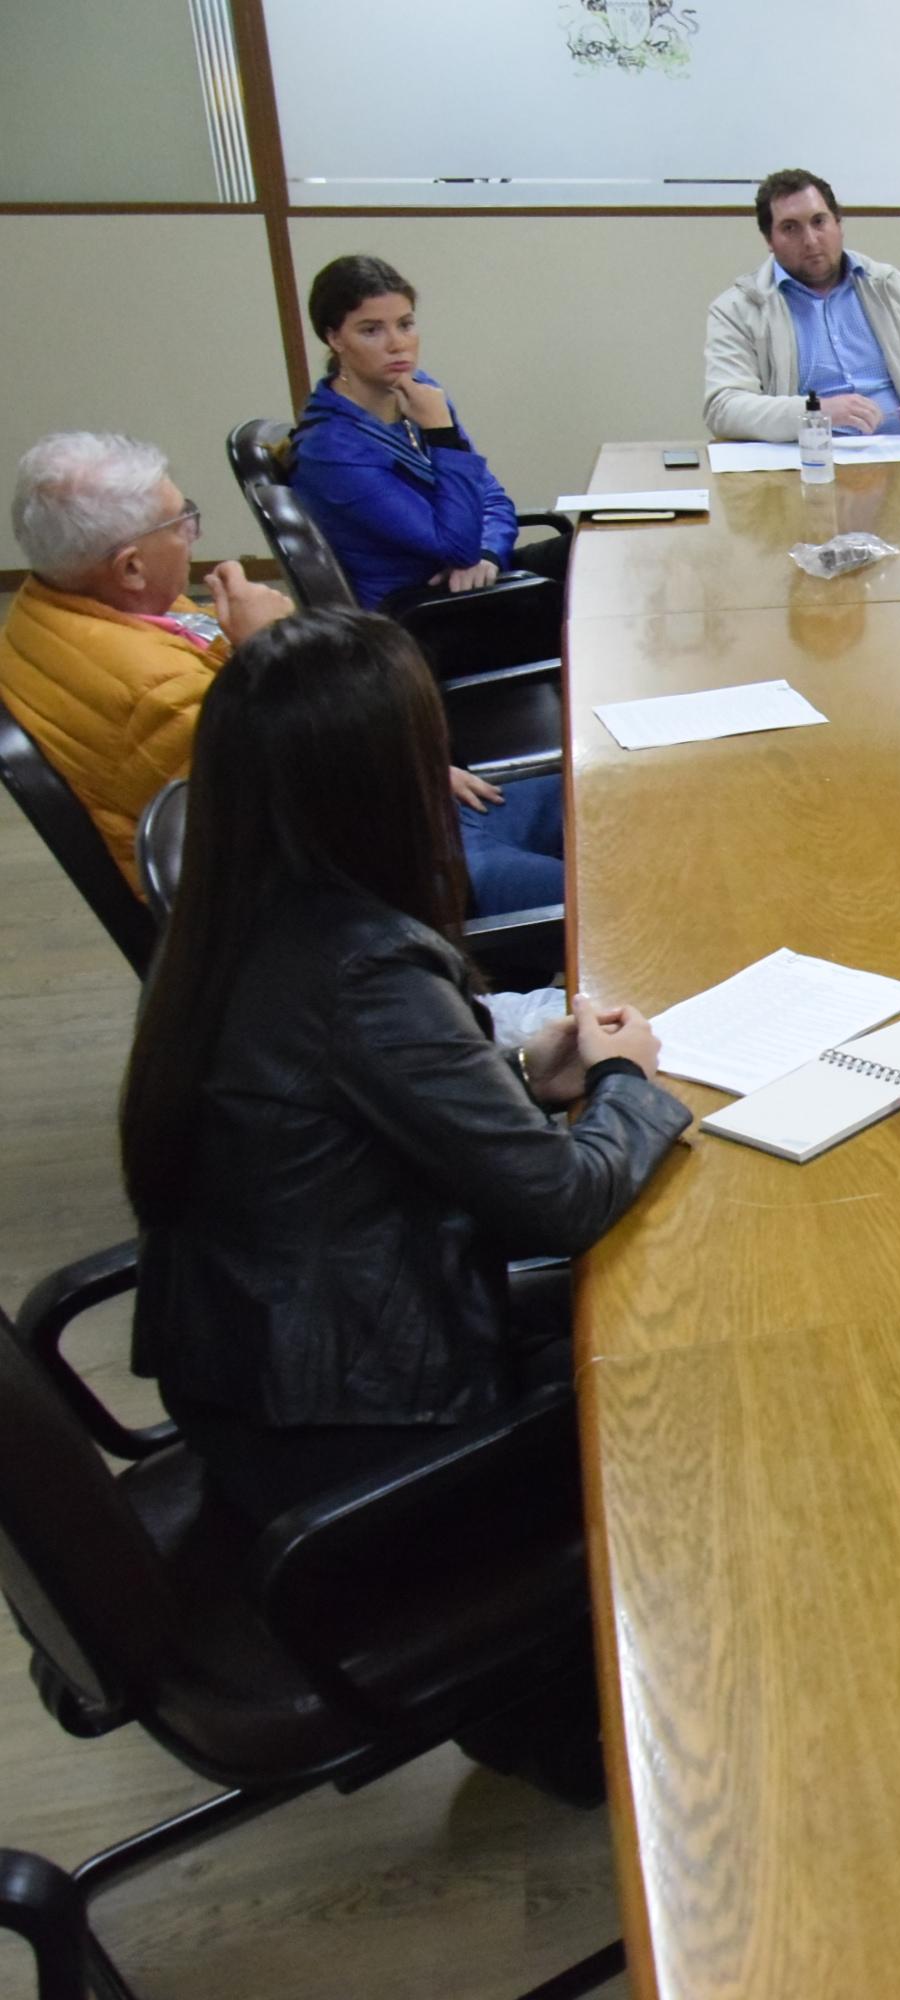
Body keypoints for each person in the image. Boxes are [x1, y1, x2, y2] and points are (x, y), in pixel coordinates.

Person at [119, 605, 688, 1527]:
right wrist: (624, 1077)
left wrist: (517, 1079)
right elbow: (565, 1201)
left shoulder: (214, 931)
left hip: (269, 1378)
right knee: (683, 1351)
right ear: (377, 786)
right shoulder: (363, 969)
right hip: (364, 1432)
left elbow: (346, 1119)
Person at [2, 432, 293, 886]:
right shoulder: (158, 696)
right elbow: (297, 792)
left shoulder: (59, 600)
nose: (194, 535)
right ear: (131, 568)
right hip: (254, 899)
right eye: (181, 523)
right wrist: (276, 647)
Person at [290, 253, 558, 611]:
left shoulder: (420, 390)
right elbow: (453, 546)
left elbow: (491, 495)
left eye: (405, 324)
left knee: (597, 553)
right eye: (371, 330)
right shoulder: (330, 448)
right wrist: (442, 434)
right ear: (335, 338)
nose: (397, 343)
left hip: (474, 580)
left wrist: (489, 551)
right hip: (422, 614)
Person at [705, 168, 900, 441]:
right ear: (769, 241)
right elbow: (724, 407)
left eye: (819, 222)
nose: (810, 240)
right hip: (811, 462)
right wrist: (816, 412)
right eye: (790, 228)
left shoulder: (891, 289)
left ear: (838, 224)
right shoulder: (739, 309)